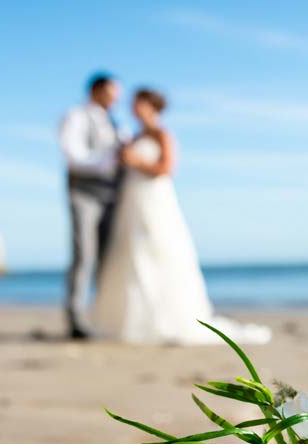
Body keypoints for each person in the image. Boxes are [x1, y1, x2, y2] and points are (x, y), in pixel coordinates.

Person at [91, 88, 270, 345]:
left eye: (139, 104)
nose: (134, 108)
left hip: (156, 200)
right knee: (130, 255)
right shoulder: (132, 136)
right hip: (131, 202)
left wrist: (136, 162)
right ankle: (129, 322)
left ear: (152, 107)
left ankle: (170, 319)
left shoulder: (163, 134)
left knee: (161, 251)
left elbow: (167, 168)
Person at [59, 73, 129, 339]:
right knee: (84, 255)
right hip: (84, 193)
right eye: (112, 94)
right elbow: (73, 156)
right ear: (97, 91)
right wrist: (109, 161)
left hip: (115, 195)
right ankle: (75, 318)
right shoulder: (76, 116)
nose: (115, 100)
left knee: (108, 257)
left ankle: (104, 316)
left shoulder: (116, 122)